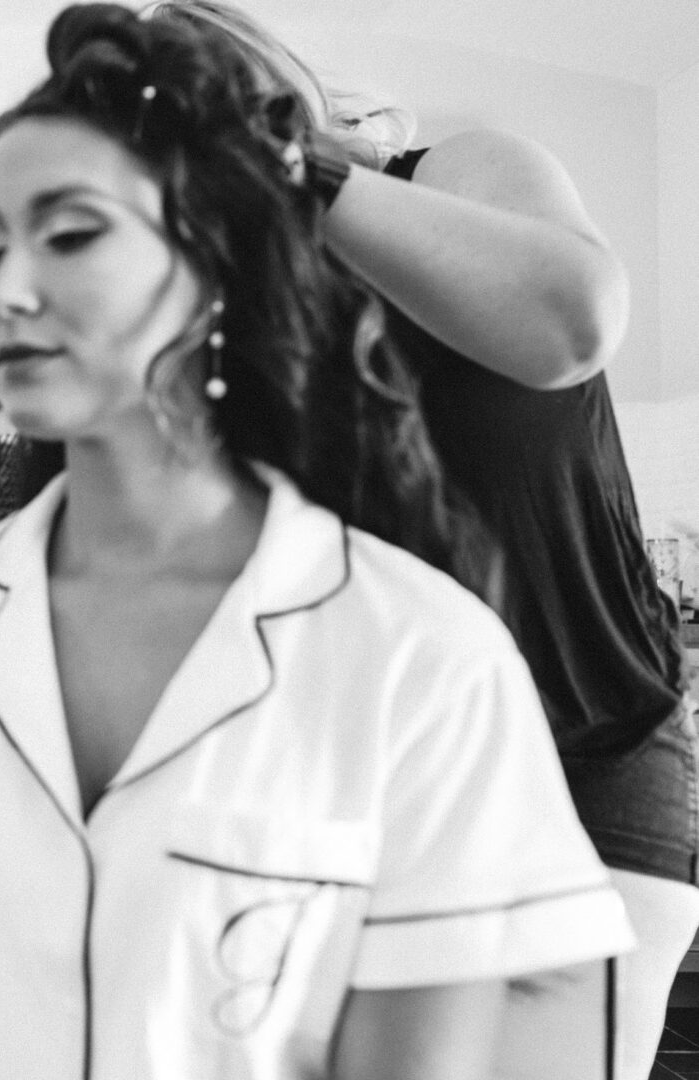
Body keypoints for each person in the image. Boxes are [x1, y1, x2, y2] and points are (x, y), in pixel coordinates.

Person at [0, 6, 633, 1078]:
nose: (4, 293)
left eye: (70, 234)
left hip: (604, 716)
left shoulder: (421, 657)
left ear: (215, 271)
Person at [138, 3, 699, 1076]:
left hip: (586, 748)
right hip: (353, 792)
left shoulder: (458, 172)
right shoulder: (212, 314)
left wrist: (293, 173)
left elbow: (568, 324)